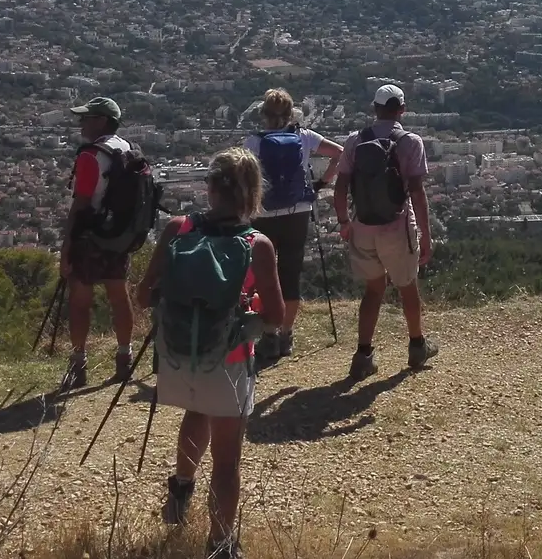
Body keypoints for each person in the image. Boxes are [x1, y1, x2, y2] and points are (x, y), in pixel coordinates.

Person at [137, 147, 284, 559]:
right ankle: (220, 545)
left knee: (194, 412)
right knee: (226, 461)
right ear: (252, 193)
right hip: (230, 359)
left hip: (177, 356)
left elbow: (143, 295)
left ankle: (181, 489)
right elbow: (274, 317)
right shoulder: (258, 245)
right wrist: (248, 312)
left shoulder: (177, 229)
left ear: (210, 187)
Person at [331, 85, 436, 380]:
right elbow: (416, 192)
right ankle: (417, 346)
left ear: (374, 108)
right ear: (402, 109)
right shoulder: (410, 142)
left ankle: (363, 354)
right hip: (397, 226)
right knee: (407, 287)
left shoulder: (354, 141)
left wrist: (343, 223)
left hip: (363, 226)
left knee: (373, 290)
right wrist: (426, 235)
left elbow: (340, 190)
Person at [243, 88, 343, 367]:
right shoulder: (305, 137)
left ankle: (269, 334)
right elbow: (340, 153)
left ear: (263, 114)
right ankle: (286, 335)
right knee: (290, 274)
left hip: (264, 213)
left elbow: (244, 177)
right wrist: (322, 184)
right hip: (299, 211)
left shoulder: (252, 143)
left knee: (263, 274)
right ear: (291, 115)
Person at [59, 97, 136, 389]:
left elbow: (81, 202)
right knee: (119, 294)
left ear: (102, 121)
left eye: (88, 118)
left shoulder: (91, 155)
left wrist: (67, 246)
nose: (82, 123)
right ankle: (124, 357)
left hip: (91, 236)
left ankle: (78, 364)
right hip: (119, 235)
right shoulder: (128, 149)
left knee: (80, 301)